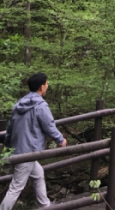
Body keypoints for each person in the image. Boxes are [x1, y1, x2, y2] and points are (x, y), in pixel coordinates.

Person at [0, 73, 67, 210]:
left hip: (20, 149)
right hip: (28, 151)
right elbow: (49, 125)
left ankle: (44, 205)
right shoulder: (41, 106)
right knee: (16, 187)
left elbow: (10, 127)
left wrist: (7, 144)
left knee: (38, 174)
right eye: (46, 83)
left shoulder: (18, 104)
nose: (47, 86)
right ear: (41, 87)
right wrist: (60, 140)